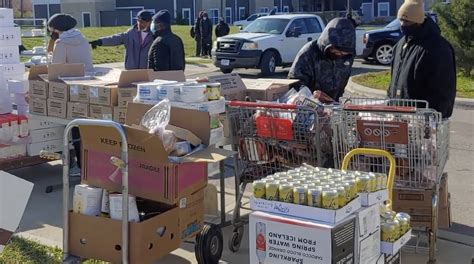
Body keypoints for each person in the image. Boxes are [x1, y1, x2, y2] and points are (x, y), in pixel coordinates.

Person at [387, 0, 456, 118]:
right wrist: (390, 103)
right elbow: (394, 79)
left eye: (407, 21)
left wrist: (431, 117)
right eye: (401, 20)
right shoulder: (401, 44)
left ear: (418, 22)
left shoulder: (437, 48)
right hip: (399, 116)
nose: (403, 24)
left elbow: (443, 89)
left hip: (422, 120)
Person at [48, 13, 94, 176]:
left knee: (73, 129)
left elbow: (56, 69)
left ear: (56, 28)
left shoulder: (61, 43)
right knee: (86, 128)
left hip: (69, 90)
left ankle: (78, 166)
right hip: (88, 87)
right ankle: (88, 165)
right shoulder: (83, 39)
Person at [288, 17, 356, 102]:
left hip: (332, 104)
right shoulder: (309, 53)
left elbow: (342, 83)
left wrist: (334, 102)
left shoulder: (347, 57)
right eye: (336, 52)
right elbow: (295, 82)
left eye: (343, 54)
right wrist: (311, 96)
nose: (339, 55)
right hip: (309, 105)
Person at [88, 10, 154, 70]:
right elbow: (115, 38)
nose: (140, 24)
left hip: (147, 71)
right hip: (131, 70)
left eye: (142, 22)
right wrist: (100, 42)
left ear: (150, 22)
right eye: (138, 21)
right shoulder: (130, 34)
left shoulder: (154, 36)